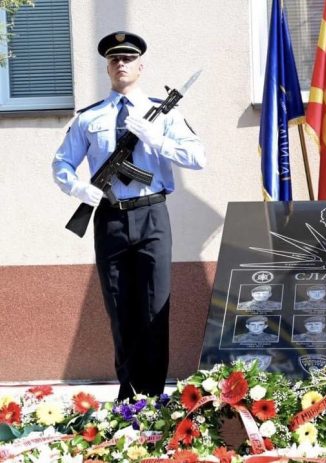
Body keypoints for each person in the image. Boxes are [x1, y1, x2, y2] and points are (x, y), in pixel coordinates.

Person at [51, 31, 206, 401]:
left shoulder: (164, 112)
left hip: (152, 214)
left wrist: (156, 139)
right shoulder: (90, 118)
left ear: (141, 65)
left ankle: (152, 396)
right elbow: (62, 164)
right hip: (110, 219)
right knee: (120, 310)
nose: (121, 64)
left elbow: (198, 157)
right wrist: (79, 189)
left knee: (155, 308)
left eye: (128, 58)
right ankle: (129, 395)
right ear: (108, 66)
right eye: (114, 59)